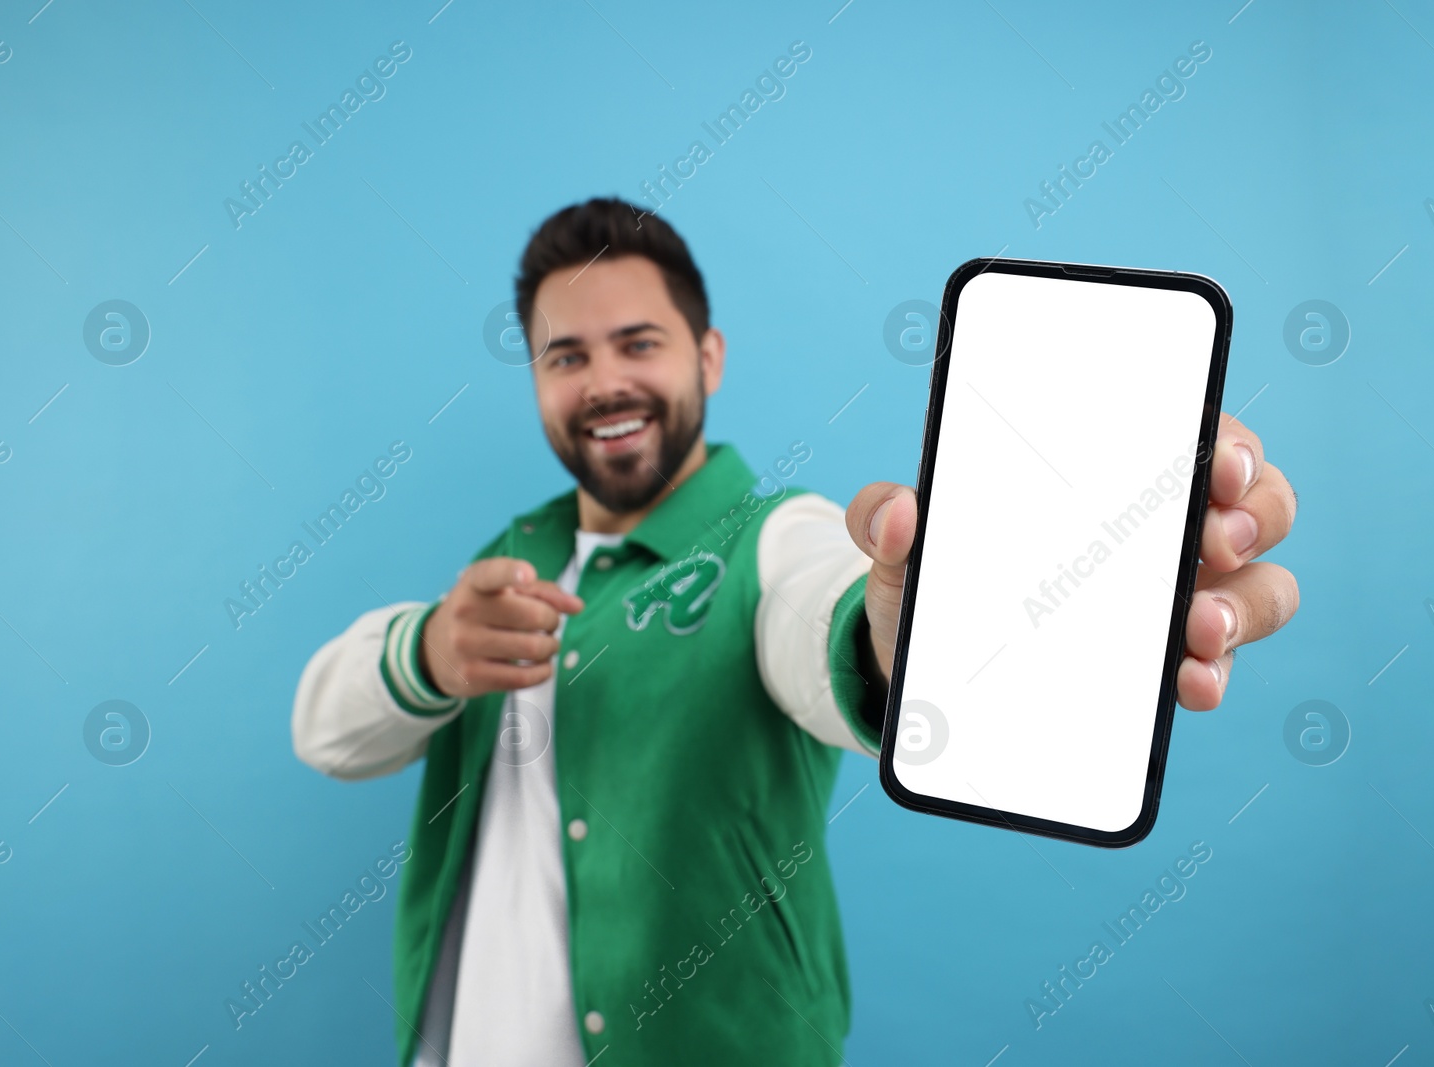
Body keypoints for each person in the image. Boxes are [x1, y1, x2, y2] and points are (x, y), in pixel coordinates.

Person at [290, 197, 1299, 1067]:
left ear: (708, 355)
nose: (604, 382)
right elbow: (323, 731)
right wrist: (428, 651)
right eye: (567, 355)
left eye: (638, 342)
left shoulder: (776, 536)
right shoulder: (507, 556)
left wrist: (899, 633)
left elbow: (822, 618)